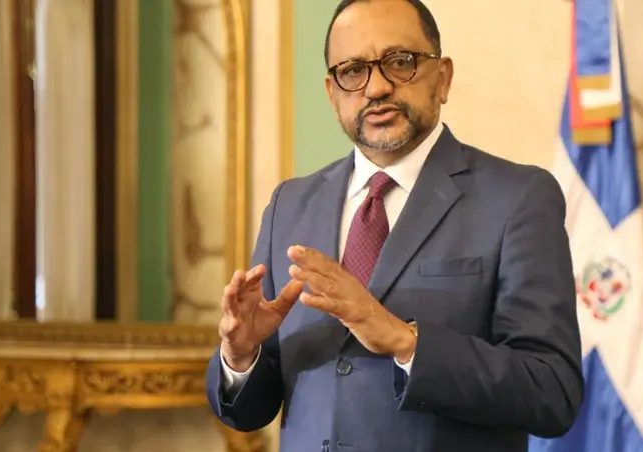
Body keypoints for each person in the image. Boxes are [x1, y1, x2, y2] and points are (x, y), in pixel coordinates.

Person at [206, 0, 584, 450]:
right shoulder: (289, 204)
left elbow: (552, 391)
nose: (377, 87)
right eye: (353, 71)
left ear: (442, 77)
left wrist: (406, 342)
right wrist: (240, 355)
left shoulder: (517, 198)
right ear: (332, 93)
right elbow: (249, 410)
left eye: (400, 62)